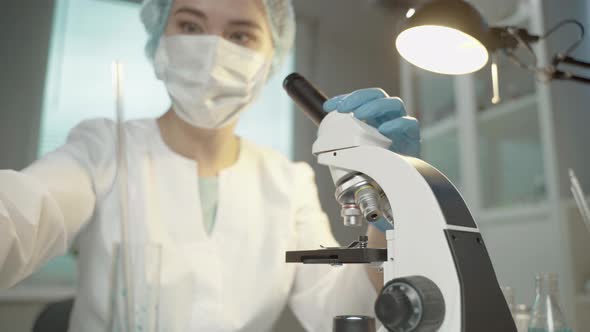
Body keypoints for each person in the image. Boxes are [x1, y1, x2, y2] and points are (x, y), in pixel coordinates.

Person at [0, 0, 420, 331]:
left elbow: (341, 312)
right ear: (159, 35)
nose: (211, 50)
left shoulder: (287, 182)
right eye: (190, 26)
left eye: (240, 34)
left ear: (271, 58)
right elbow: (21, 212)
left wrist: (388, 201)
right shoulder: (101, 149)